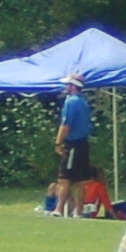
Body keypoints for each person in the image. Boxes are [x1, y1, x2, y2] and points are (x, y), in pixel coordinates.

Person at [51, 76, 93, 217]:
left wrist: (58, 143)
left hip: (73, 144)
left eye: (68, 85)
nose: (65, 87)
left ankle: (59, 209)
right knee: (79, 180)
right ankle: (78, 212)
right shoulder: (83, 102)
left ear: (73, 86)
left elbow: (66, 125)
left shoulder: (71, 101)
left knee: (64, 178)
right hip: (83, 143)